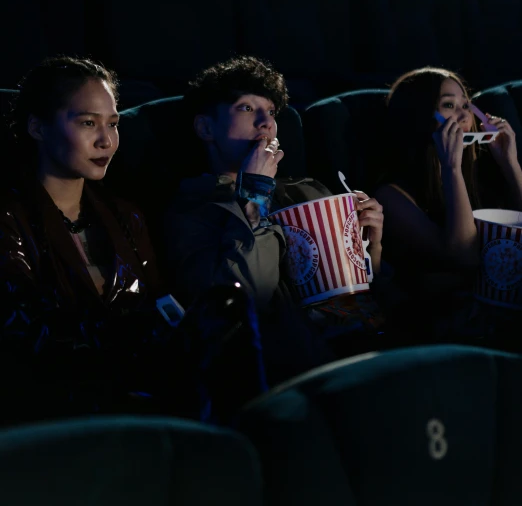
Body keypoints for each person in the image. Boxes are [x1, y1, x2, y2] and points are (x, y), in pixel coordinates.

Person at [0, 57, 264, 424]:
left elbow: (160, 304)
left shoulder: (126, 216)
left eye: (113, 123)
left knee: (227, 308)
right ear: (38, 127)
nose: (106, 140)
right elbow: (27, 333)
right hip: (66, 396)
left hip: (142, 380)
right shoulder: (9, 217)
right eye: (88, 123)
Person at [166, 56, 385, 383]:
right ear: (206, 127)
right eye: (246, 108)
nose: (265, 123)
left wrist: (372, 242)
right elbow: (247, 298)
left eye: (271, 112)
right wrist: (254, 194)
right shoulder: (191, 211)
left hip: (363, 346)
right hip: (286, 373)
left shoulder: (308, 190)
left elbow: (360, 287)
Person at [374, 67, 522, 344]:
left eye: (466, 105)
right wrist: (451, 168)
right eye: (449, 105)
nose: (465, 116)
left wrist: (510, 165)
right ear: (421, 115)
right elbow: (464, 258)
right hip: (443, 326)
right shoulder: (391, 195)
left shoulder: (482, 171)